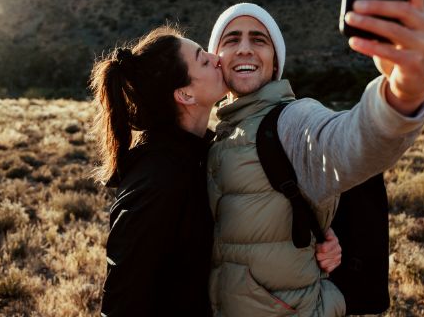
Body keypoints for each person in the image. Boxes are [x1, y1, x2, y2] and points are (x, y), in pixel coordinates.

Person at [205, 0, 424, 316]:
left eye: (259, 40)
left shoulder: (291, 121)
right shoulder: (219, 137)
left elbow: (351, 141)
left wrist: (404, 92)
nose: (244, 48)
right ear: (217, 58)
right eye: (231, 39)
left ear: (275, 63)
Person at [91, 26, 342, 316]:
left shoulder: (208, 152)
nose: (215, 58)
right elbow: (123, 299)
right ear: (185, 94)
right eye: (202, 59)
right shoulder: (156, 179)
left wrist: (323, 237)